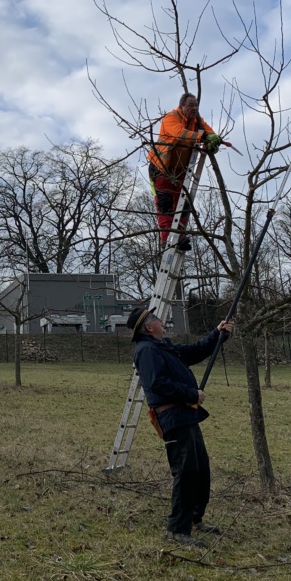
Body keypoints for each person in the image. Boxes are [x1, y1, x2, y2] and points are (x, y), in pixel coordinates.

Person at [127, 307, 233, 548]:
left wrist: (217, 334)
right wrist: (191, 393)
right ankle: (177, 529)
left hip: (186, 414)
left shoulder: (163, 346)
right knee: (185, 472)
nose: (160, 320)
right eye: (155, 318)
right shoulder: (146, 351)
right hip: (173, 416)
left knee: (200, 470)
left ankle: (195, 519)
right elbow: (158, 384)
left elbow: (193, 352)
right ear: (148, 327)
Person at [148, 93, 222, 250]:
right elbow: (179, 133)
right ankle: (166, 240)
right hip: (161, 168)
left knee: (182, 205)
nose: (194, 108)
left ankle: (179, 238)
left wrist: (214, 140)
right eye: (191, 105)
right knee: (165, 205)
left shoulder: (197, 122)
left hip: (180, 170)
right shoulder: (171, 117)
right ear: (182, 106)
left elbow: (209, 132)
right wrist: (202, 138)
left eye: (196, 106)